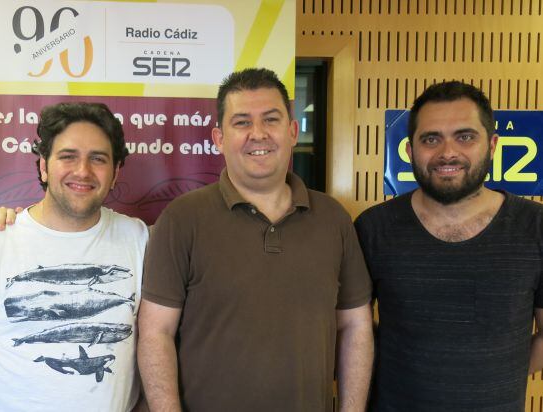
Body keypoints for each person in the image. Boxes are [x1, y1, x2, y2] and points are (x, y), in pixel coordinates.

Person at [137, 68, 374, 411]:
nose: (258, 134)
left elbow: (355, 325)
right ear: (219, 138)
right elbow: (155, 332)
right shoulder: (182, 219)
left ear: (292, 131)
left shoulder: (333, 218)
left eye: (271, 119)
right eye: (242, 122)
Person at [0, 102, 149, 412]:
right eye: (68, 156)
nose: (83, 171)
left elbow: (154, 347)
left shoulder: (138, 238)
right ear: (43, 166)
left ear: (116, 171)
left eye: (98, 159)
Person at [355, 81, 543, 411]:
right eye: (431, 139)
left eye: (465, 136)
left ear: (493, 145)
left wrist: (498, 370)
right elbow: (353, 329)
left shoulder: (536, 227)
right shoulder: (373, 228)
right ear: (410, 150)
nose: (448, 152)